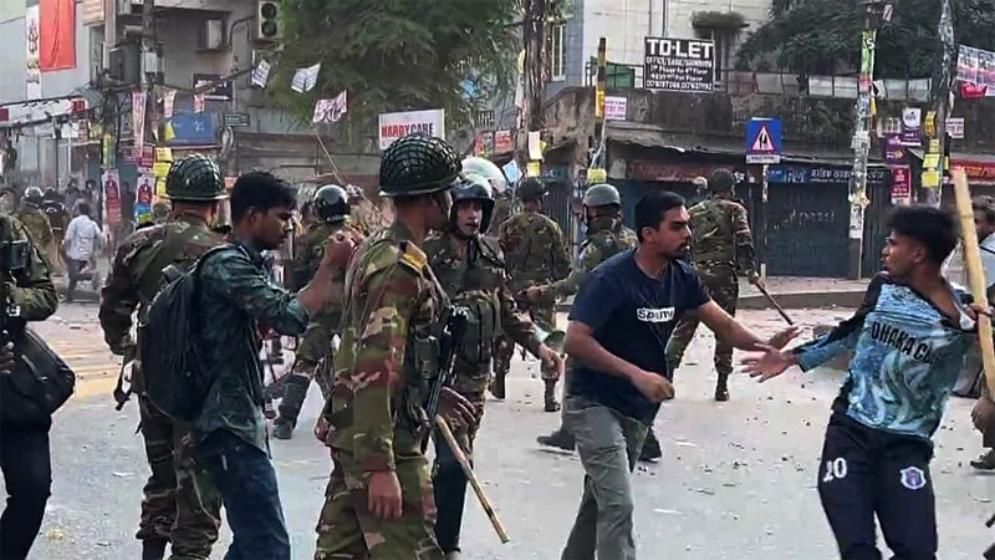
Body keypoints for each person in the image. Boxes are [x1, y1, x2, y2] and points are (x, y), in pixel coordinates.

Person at [560, 192, 796, 560]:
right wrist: (636, 374)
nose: (688, 233)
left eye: (687, 224)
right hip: (593, 402)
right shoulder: (610, 279)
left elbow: (723, 324)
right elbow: (575, 340)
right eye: (678, 226)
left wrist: (764, 345)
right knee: (618, 503)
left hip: (637, 409)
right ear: (648, 234)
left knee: (602, 500)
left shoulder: (683, 277)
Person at [743, 206, 981, 560]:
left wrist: (981, 329)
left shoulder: (966, 313)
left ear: (918, 254)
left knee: (917, 551)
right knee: (858, 550)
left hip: (907, 444)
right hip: (851, 432)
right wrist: (792, 358)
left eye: (893, 243)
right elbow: (851, 332)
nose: (885, 250)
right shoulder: (884, 288)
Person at [313, 134, 479, 560]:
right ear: (431, 200)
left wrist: (431, 393)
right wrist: (380, 466)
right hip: (383, 437)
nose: (451, 202)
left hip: (362, 428)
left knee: (342, 550)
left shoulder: (377, 250)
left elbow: (380, 349)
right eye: (447, 193)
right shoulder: (398, 267)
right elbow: (375, 363)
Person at [185, 170, 354, 560]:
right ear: (252, 216)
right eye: (281, 216)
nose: (289, 226)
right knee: (269, 546)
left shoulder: (250, 262)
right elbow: (290, 315)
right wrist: (328, 267)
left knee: (251, 543)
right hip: (227, 424)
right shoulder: (227, 265)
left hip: (241, 419)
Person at [423, 170, 564, 558]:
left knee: (457, 460)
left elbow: (507, 309)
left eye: (479, 209)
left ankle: (442, 538)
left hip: (474, 379)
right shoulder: (428, 254)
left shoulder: (489, 253)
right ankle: (434, 540)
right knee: (448, 461)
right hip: (436, 375)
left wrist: (540, 346)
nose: (472, 216)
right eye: (465, 207)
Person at [99, 154, 229, 560]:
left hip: (151, 380)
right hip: (203, 389)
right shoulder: (224, 251)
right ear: (213, 205)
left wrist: (129, 350)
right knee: (200, 489)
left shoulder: (137, 244)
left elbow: (113, 311)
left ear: (172, 201)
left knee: (162, 478)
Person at [533, 183, 659, 458]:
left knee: (576, 371)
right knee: (629, 377)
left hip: (600, 321)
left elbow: (574, 282)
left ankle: (568, 433)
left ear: (593, 212)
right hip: (634, 320)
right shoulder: (633, 239)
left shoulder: (595, 246)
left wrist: (539, 293)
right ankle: (647, 440)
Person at [272, 184, 359, 440]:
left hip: (321, 306)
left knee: (307, 361)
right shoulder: (360, 235)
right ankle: (346, 417)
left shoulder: (309, 239)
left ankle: (286, 419)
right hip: (351, 305)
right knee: (354, 362)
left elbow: (297, 275)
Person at [666, 169, 761, 402]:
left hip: (694, 276)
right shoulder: (735, 210)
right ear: (730, 189)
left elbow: (680, 242)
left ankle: (667, 376)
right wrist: (750, 271)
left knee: (684, 325)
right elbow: (744, 240)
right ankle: (721, 386)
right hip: (723, 276)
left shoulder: (692, 212)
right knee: (724, 329)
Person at [0, 214, 59, 560]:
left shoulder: (7, 229)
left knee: (33, 490)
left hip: (13, 387)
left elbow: (45, 295)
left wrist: (10, 295)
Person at [494, 177, 571, 410]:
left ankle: (499, 378)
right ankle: (549, 395)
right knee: (547, 337)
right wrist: (556, 284)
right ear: (539, 200)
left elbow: (500, 259)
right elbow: (563, 263)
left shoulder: (507, 226)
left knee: (508, 332)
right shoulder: (551, 227)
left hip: (514, 288)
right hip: (541, 291)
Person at [62, 200, 104, 301]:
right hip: (87, 254)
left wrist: (63, 246)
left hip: (75, 253)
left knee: (73, 275)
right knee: (73, 277)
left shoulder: (75, 222)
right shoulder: (92, 223)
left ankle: (92, 276)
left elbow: (68, 238)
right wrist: (99, 248)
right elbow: (101, 237)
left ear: (79, 210)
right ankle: (69, 297)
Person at [16, 187, 54, 257]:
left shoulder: (18, 215)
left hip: (21, 252)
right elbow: (49, 236)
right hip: (38, 251)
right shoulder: (42, 216)